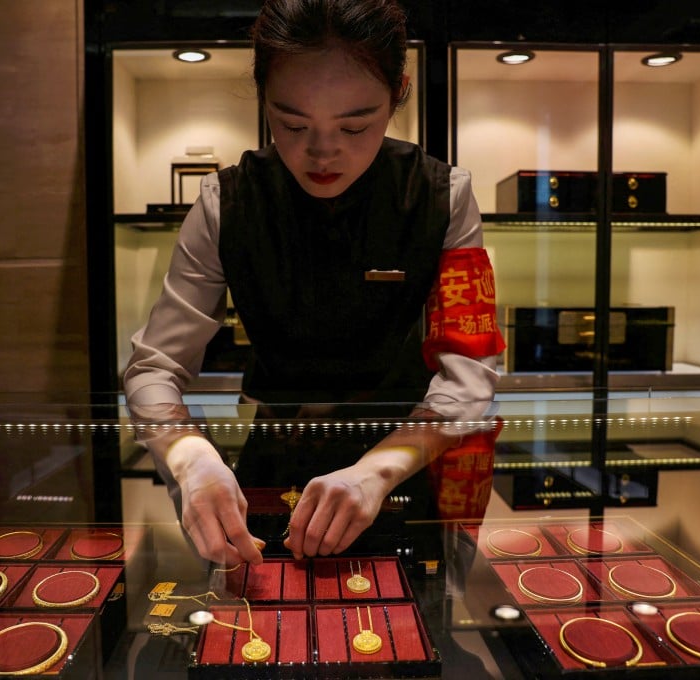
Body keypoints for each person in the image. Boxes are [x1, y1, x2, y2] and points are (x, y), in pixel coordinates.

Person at [124, 0, 505, 567]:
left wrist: (378, 471)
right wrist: (191, 459)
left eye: (356, 125)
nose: (323, 150)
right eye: (292, 124)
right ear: (262, 98)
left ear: (399, 92)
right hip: (269, 465)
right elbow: (154, 366)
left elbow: (470, 372)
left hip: (398, 464)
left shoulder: (441, 195)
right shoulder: (226, 204)